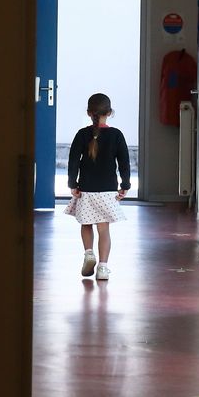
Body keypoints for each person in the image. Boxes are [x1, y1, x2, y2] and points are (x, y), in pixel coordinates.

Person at [64, 92, 131, 281]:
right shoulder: (116, 135)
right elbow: (124, 162)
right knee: (104, 229)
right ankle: (103, 267)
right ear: (109, 112)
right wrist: (124, 185)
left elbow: (73, 161)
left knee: (86, 224)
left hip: (86, 188)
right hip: (108, 189)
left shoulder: (82, 134)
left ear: (88, 113)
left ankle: (88, 253)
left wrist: (72, 184)